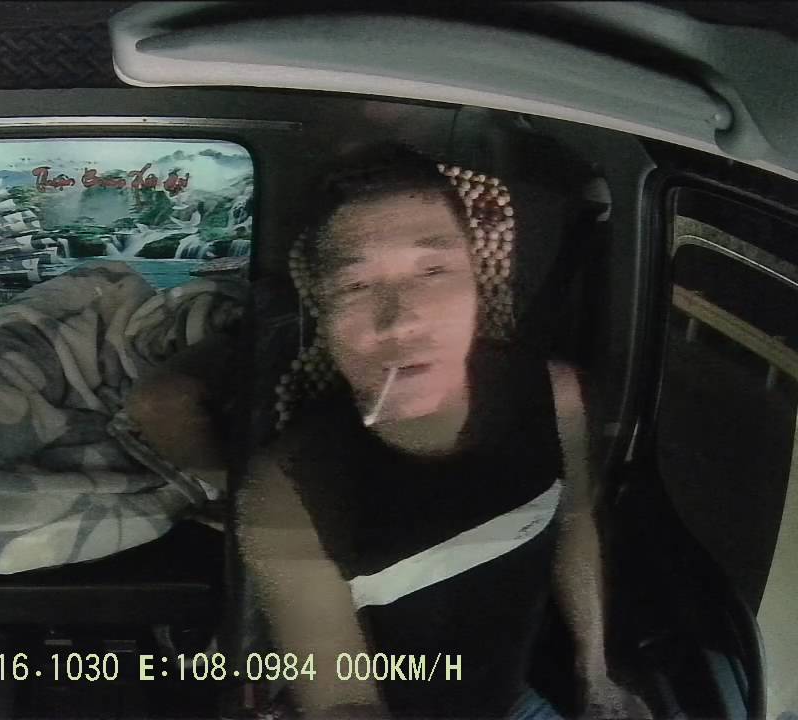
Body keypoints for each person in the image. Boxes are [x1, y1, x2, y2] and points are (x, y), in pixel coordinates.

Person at [235, 147, 647, 719]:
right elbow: (343, 702)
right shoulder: (287, 488)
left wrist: (595, 675)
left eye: (432, 271)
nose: (401, 320)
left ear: (476, 280)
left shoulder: (553, 395)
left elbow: (575, 522)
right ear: (322, 313)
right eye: (357, 285)